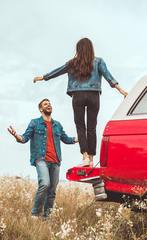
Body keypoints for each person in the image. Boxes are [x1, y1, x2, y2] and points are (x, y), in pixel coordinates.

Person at [33, 38, 128, 168]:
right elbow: (109, 77)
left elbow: (57, 71)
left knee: (80, 127)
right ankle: (91, 159)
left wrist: (43, 77)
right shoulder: (98, 61)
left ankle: (84, 158)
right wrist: (121, 91)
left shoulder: (72, 63)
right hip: (94, 95)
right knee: (92, 127)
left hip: (78, 95)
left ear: (78, 49)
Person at [7, 99, 77, 220]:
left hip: (56, 161)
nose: (48, 105)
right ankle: (35, 214)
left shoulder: (57, 125)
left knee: (52, 191)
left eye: (50, 103)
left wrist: (80, 138)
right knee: (45, 184)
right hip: (41, 159)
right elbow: (24, 138)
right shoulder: (34, 123)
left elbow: (66, 139)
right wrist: (16, 136)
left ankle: (47, 217)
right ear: (40, 109)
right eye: (45, 104)